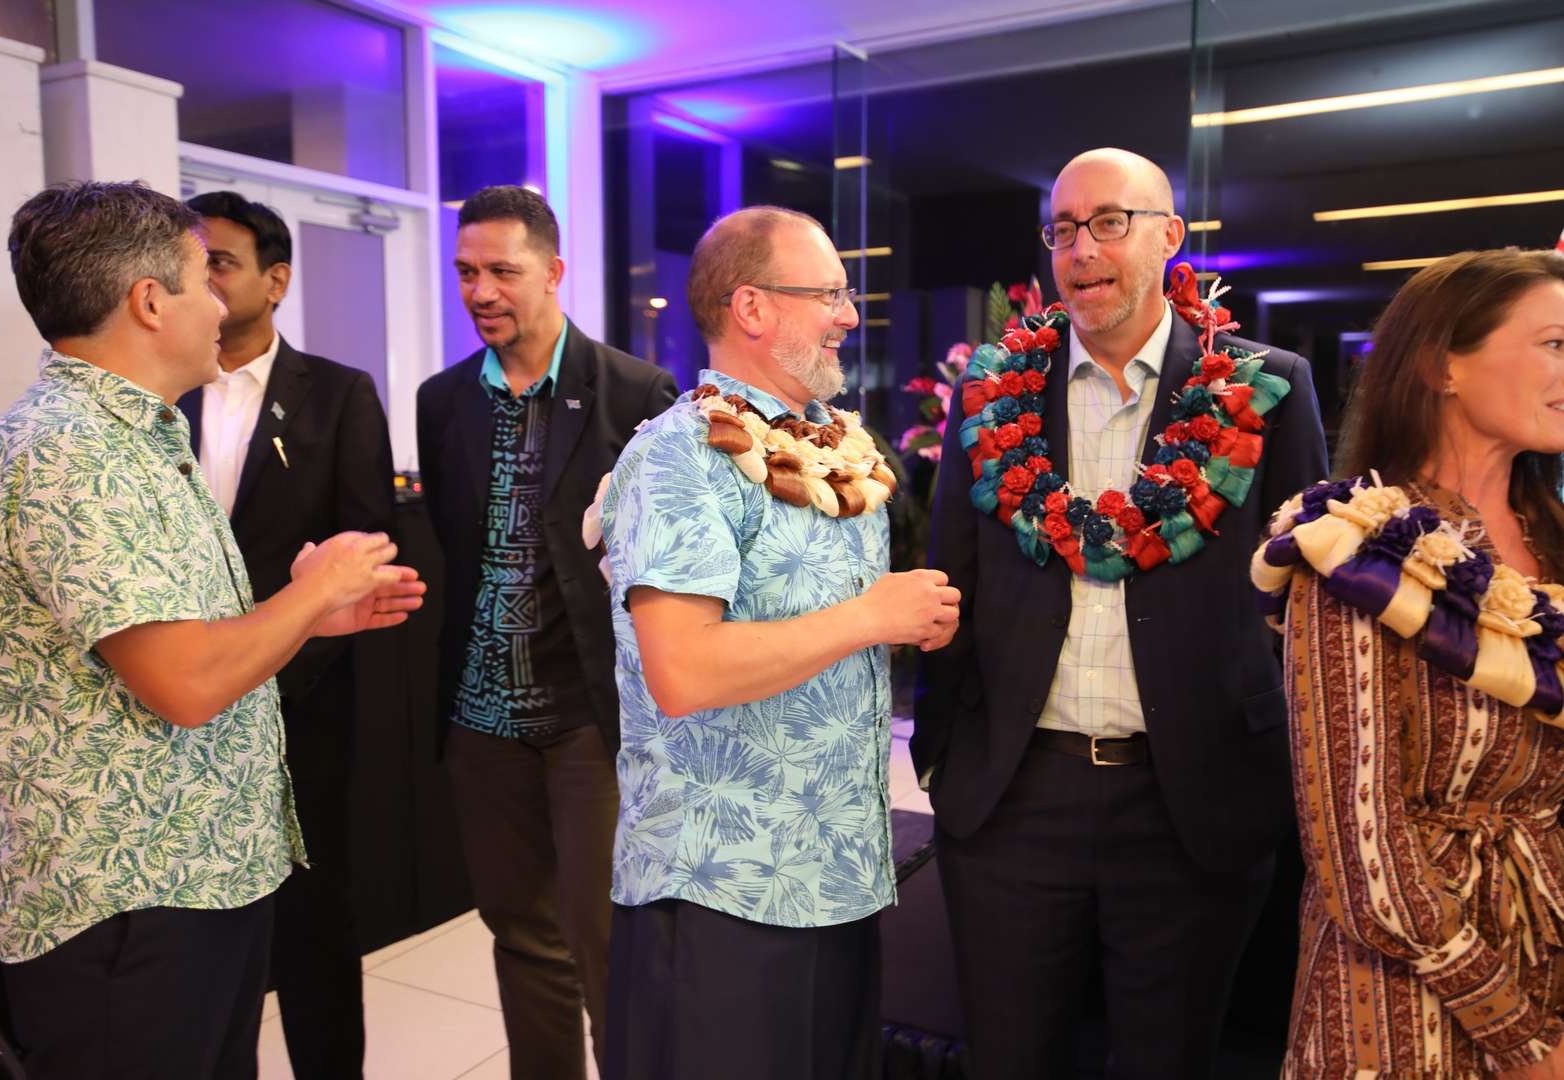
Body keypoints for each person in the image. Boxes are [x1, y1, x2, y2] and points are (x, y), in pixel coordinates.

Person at [0, 180, 423, 1080]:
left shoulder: (135, 438)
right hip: (127, 896)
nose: (219, 306)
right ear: (150, 302)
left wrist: (308, 616)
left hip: (194, 876)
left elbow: (183, 641)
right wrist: (312, 595)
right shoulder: (70, 453)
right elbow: (187, 682)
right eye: (203, 280)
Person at [915, 148, 1329, 1078]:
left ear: (1169, 235)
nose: (1081, 250)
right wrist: (943, 757)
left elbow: (1303, 601)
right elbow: (953, 578)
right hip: (1015, 798)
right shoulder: (992, 393)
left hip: (1191, 806)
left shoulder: (1264, 387)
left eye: (1109, 222)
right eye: (1063, 229)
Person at [599, 205, 961, 1080]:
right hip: (722, 883)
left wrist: (905, 617)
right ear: (752, 307)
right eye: (828, 295)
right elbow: (682, 669)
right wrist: (871, 617)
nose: (848, 315)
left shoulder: (834, 446)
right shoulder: (682, 454)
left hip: (835, 871)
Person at [1253, 248, 1564, 1079]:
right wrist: (1520, 1034)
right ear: (1442, 366)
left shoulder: (1552, 538)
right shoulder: (1356, 550)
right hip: (1404, 1001)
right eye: (1554, 345)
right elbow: (1360, 859)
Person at [415, 184, 677, 1079]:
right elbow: (453, 550)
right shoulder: (442, 400)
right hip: (480, 719)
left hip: (587, 716)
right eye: (465, 272)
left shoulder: (635, 393)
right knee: (521, 935)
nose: (480, 291)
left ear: (554, 271)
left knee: (606, 940)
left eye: (502, 271)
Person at [178, 190, 395, 1079]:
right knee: (200, 937)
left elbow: (365, 555)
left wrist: (268, 670)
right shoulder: (156, 396)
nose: (204, 280)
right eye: (193, 265)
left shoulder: (337, 395)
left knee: (311, 924)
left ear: (276, 280)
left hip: (298, 705)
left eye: (221, 263)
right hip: (175, 702)